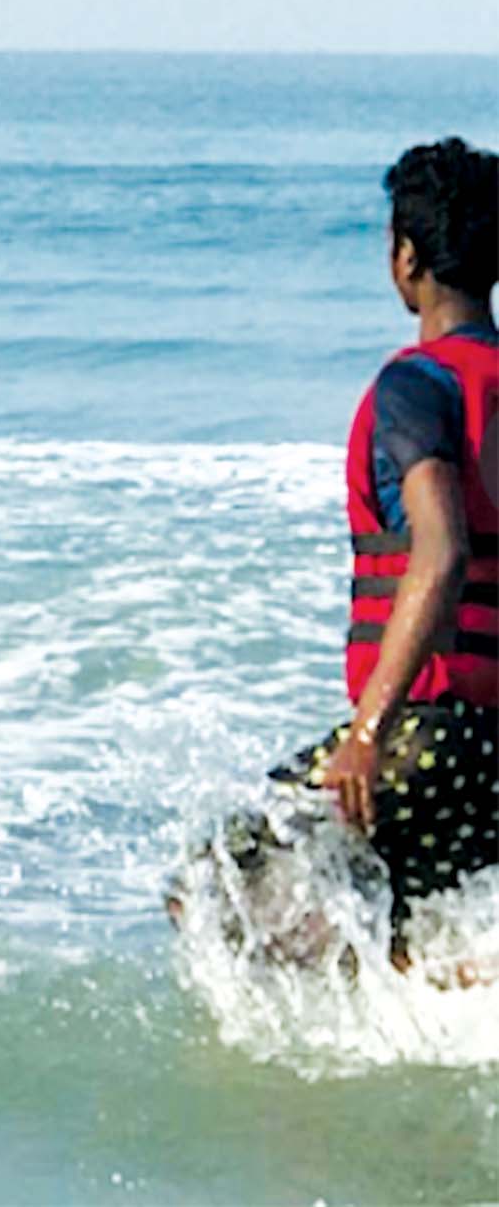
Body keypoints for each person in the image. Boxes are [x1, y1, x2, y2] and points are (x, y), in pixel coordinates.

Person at [259, 137, 496, 975]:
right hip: (494, 752)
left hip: (432, 734)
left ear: (406, 259)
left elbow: (440, 555)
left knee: (222, 884)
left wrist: (368, 733)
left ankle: (318, 1066)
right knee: (408, 915)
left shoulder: (417, 388)